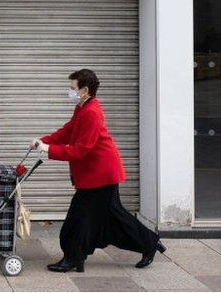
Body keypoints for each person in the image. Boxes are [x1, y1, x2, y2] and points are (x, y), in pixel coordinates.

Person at [31, 69, 165, 272]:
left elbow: (81, 150)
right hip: (98, 174)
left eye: (72, 88)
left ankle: (73, 257)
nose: (69, 92)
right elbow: (68, 131)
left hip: (101, 174)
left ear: (84, 90)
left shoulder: (91, 113)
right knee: (115, 217)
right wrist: (44, 141)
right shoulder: (82, 107)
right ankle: (150, 243)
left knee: (78, 218)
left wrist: (49, 150)